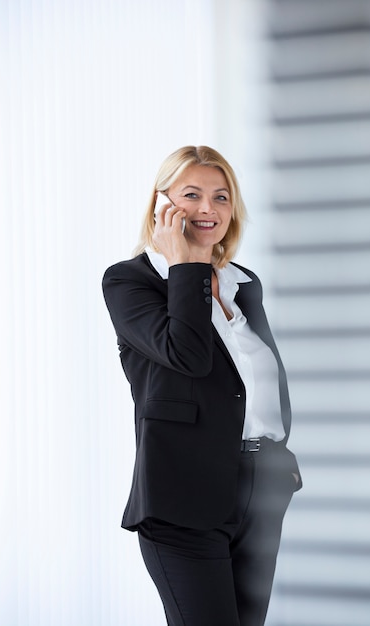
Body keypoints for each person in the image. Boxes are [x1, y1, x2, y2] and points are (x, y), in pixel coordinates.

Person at [102, 145, 302, 626]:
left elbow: (257, 383)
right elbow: (187, 356)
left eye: (221, 197)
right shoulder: (130, 282)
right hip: (183, 499)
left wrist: (278, 464)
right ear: (161, 204)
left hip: (261, 491)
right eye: (191, 195)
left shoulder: (242, 283)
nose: (208, 209)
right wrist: (185, 265)